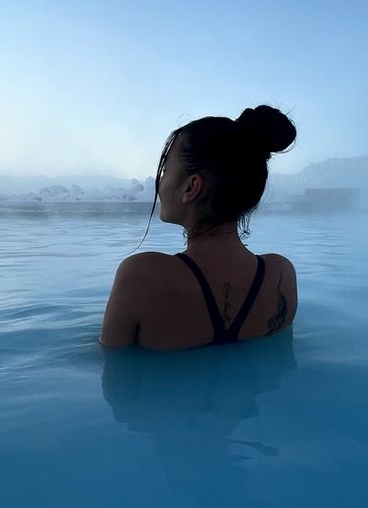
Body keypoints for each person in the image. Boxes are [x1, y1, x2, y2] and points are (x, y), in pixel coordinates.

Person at [99, 105, 298, 350]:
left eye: (165, 170)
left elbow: (114, 377)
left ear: (191, 187)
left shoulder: (141, 276)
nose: (160, 183)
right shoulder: (281, 274)